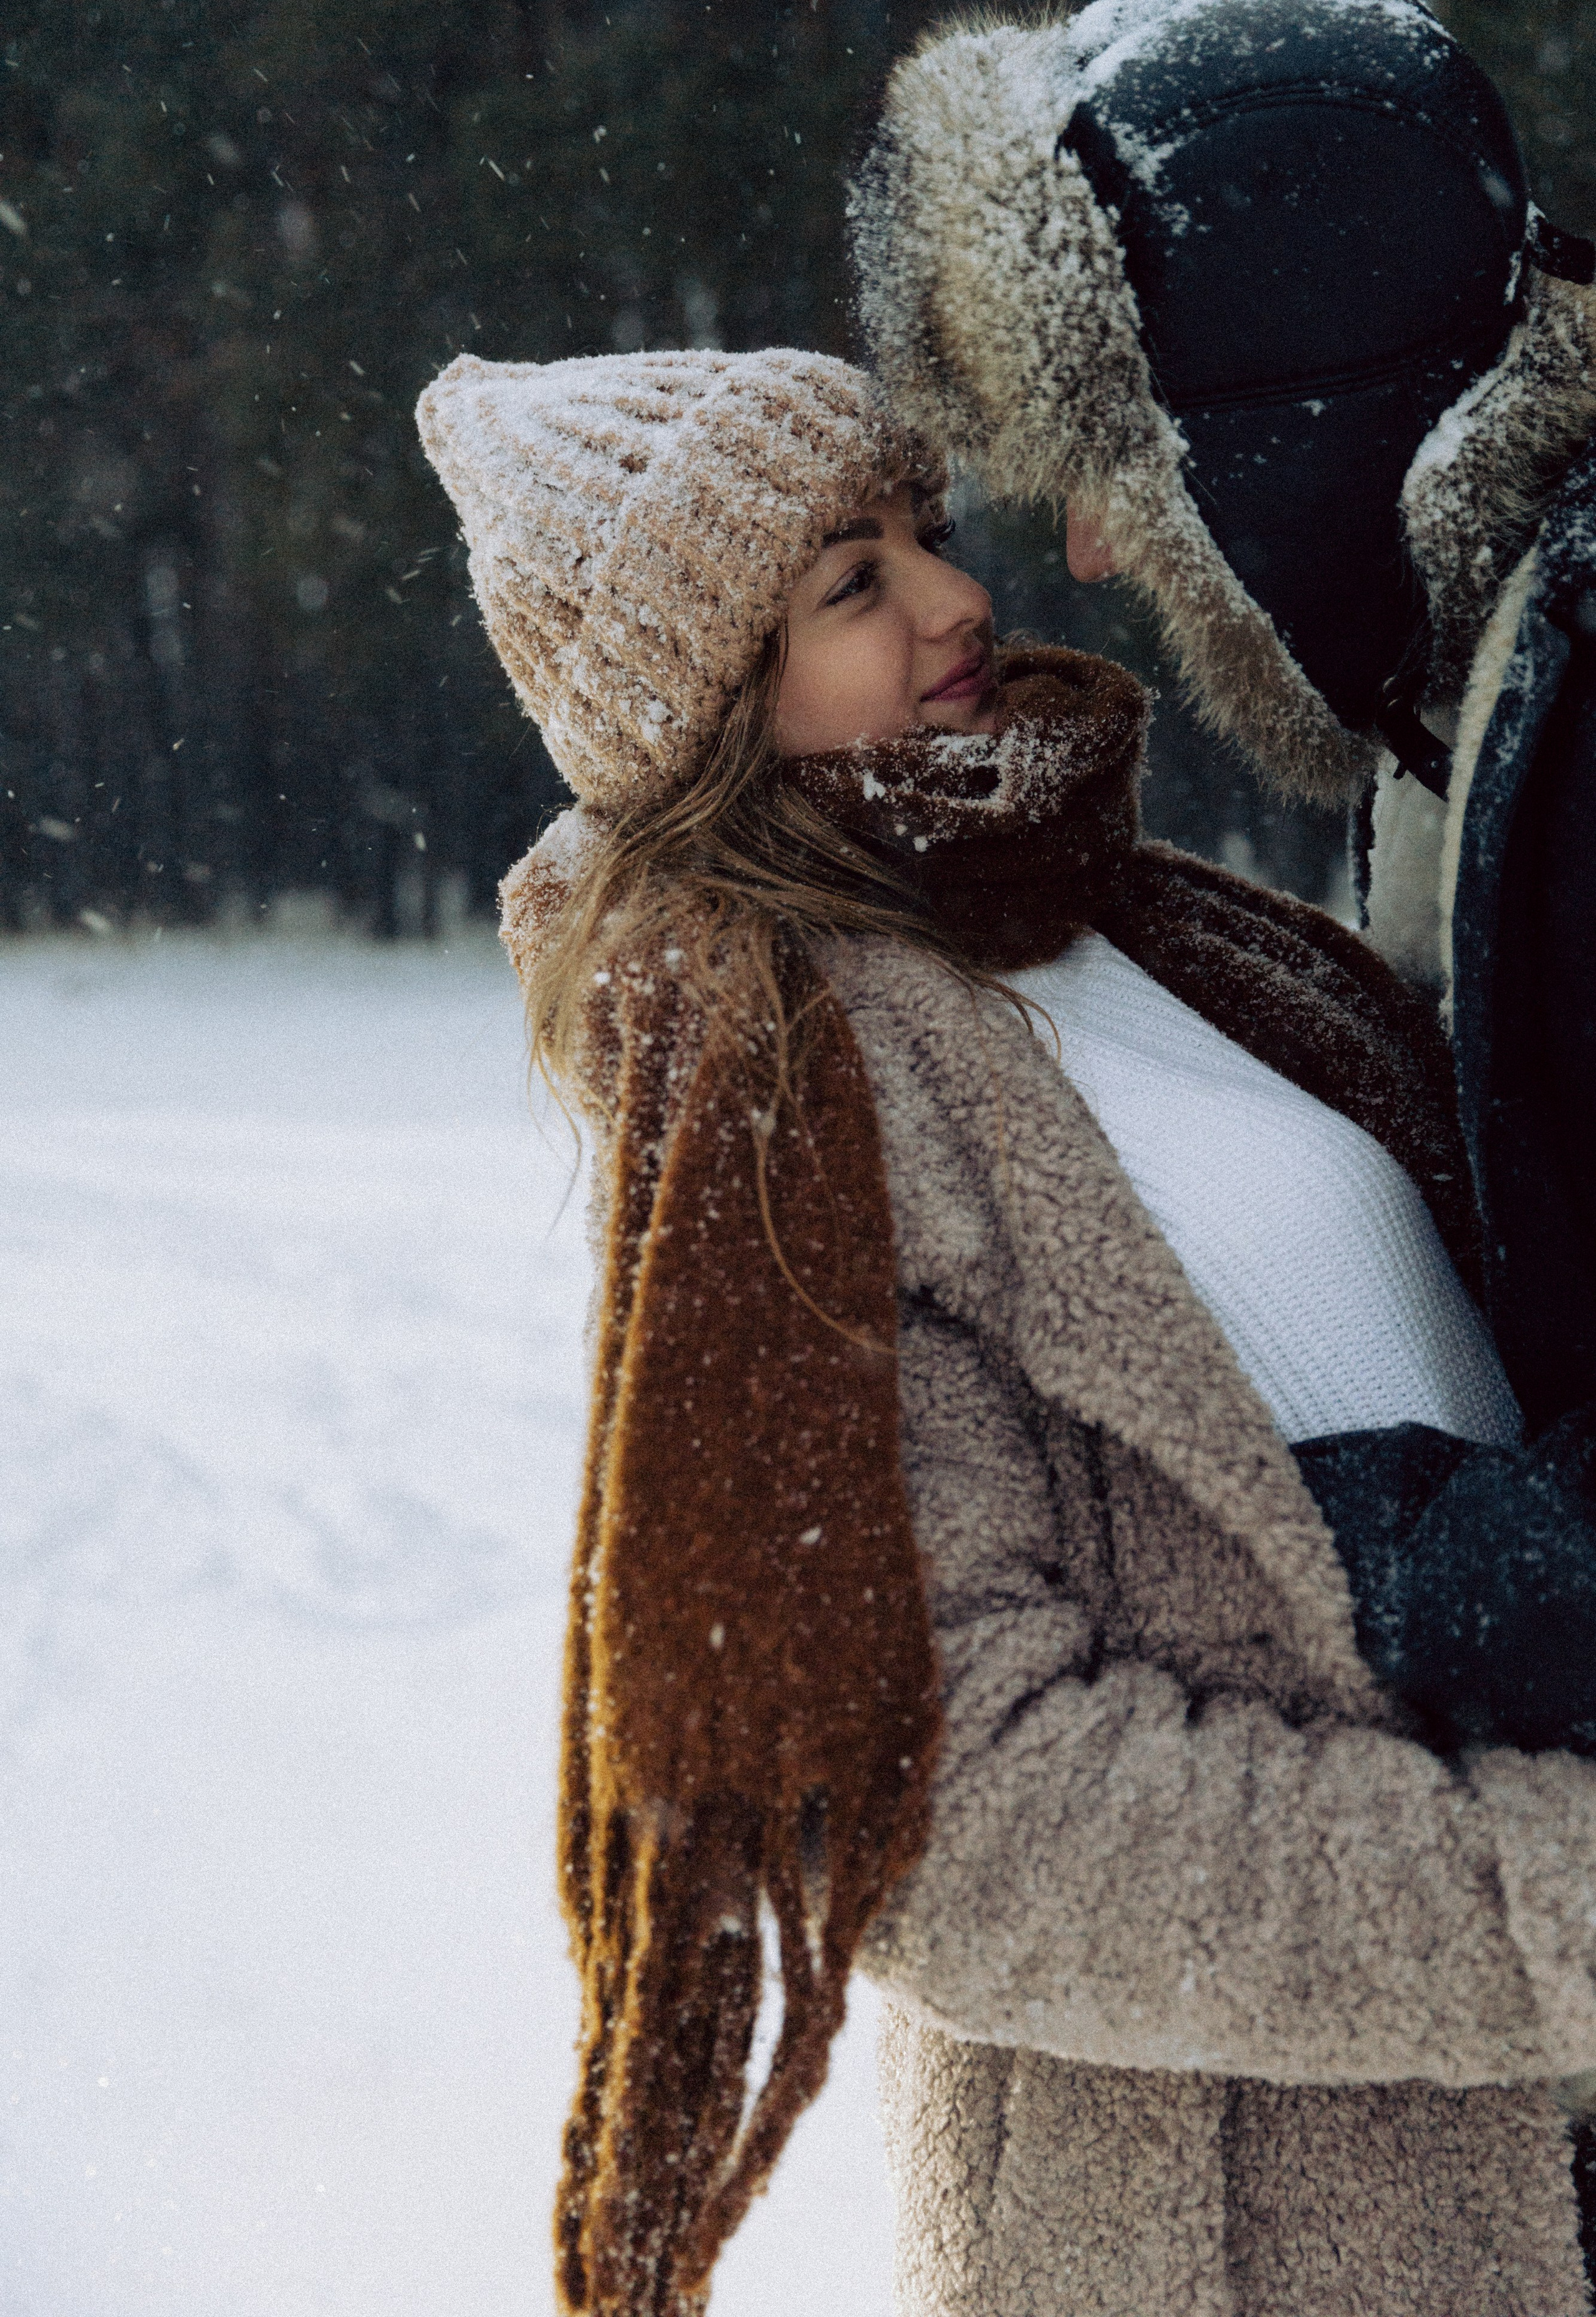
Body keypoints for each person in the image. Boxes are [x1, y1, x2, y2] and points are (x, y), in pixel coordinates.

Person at [418, 345, 1596, 2317]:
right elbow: (961, 1820)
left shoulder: (1138, 926)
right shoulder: (779, 1094)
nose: (959, 603)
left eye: (926, 538)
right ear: (705, 701)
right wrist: (1557, 1901)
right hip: (1266, 2209)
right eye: (849, 584)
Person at [850, 0, 1596, 1839]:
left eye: (1121, 463)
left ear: (1290, 424)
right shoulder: (1474, 697)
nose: (1087, 555)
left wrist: (1319, 1546)